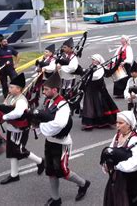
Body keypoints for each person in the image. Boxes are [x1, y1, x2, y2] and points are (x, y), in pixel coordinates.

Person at [35, 72, 90, 205]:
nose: (44, 92)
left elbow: (59, 124)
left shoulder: (63, 106)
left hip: (62, 144)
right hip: (50, 141)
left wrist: (41, 126)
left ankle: (83, 184)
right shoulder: (49, 101)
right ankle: (56, 198)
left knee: (62, 171)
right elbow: (46, 117)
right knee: (51, 171)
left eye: (46, 89)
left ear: (55, 89)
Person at [0, 73, 44, 185]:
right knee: (12, 150)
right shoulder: (10, 96)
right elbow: (5, 107)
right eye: (9, 87)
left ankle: (41, 161)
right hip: (11, 127)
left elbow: (17, 113)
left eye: (12, 87)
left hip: (19, 129)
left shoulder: (21, 100)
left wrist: (4, 116)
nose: (9, 88)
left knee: (18, 150)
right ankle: (14, 174)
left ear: (19, 89)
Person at [102, 111, 137, 206]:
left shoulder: (135, 140)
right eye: (117, 122)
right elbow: (111, 151)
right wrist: (107, 165)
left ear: (129, 125)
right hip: (116, 176)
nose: (117, 125)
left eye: (120, 123)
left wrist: (117, 166)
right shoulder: (117, 136)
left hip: (130, 179)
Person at [81, 54, 119, 131]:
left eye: (94, 60)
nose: (92, 61)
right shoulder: (92, 67)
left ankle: (101, 122)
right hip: (90, 89)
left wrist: (88, 73)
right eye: (92, 60)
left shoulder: (100, 68)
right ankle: (91, 122)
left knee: (99, 105)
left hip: (98, 90)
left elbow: (96, 77)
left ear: (98, 61)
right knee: (90, 105)